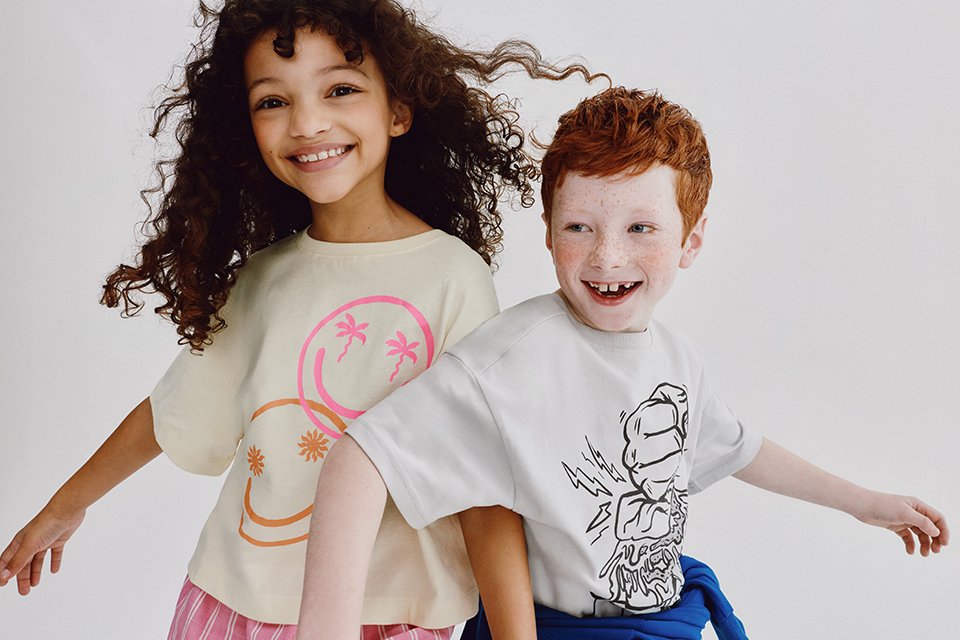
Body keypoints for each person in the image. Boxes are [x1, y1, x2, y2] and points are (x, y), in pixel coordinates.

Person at [0, 1, 600, 637]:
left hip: (388, 618)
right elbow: (174, 411)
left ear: (398, 110)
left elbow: (481, 485)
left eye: (340, 89)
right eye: (272, 101)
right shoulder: (261, 281)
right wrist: (63, 508)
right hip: (233, 605)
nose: (308, 122)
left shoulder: (453, 279)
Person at [295, 87, 950, 639]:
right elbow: (362, 456)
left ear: (691, 241)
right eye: (580, 227)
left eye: (641, 228)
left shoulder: (674, 355)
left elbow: (739, 447)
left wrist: (865, 503)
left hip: (668, 617)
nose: (607, 258)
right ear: (548, 230)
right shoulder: (516, 355)